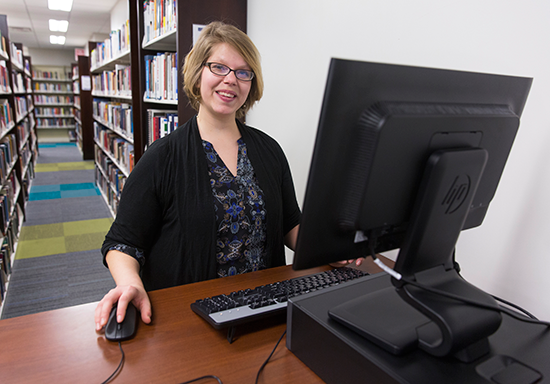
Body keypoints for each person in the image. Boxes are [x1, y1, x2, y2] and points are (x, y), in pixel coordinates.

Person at [94, 21, 301, 331]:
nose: (231, 80)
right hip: (192, 321)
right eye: (219, 67)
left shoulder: (269, 150)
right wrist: (129, 283)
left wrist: (329, 246)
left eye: (243, 72)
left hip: (265, 312)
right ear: (198, 73)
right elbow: (123, 243)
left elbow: (290, 225)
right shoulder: (162, 157)